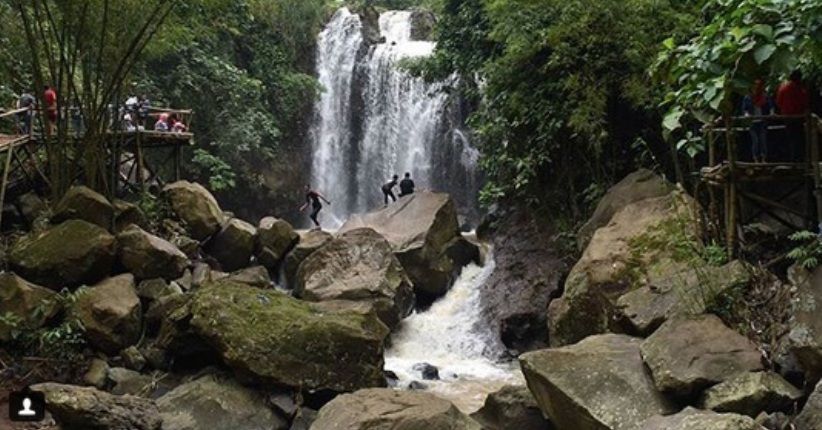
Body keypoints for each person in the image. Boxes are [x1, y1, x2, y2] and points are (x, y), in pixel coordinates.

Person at [776, 70, 810, 160]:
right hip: (797, 116)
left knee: (791, 138)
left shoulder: (783, 87)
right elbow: (804, 101)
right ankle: (798, 159)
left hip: (787, 116)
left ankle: (793, 159)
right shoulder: (798, 88)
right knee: (799, 138)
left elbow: (779, 102)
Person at [741, 79, 774, 163]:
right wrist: (746, 115)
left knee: (763, 140)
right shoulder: (748, 97)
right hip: (752, 122)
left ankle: (763, 158)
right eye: (755, 85)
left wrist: (771, 113)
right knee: (755, 141)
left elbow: (770, 106)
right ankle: (755, 159)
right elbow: (745, 109)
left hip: (762, 121)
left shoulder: (765, 96)